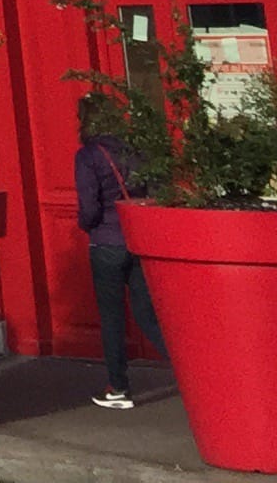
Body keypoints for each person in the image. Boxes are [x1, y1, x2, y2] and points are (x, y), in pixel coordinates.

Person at [75, 95, 161, 410]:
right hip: (135, 239)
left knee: (112, 317)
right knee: (147, 313)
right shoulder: (133, 151)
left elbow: (89, 207)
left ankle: (118, 387)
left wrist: (88, 226)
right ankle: (191, 371)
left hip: (106, 242)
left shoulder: (88, 156)